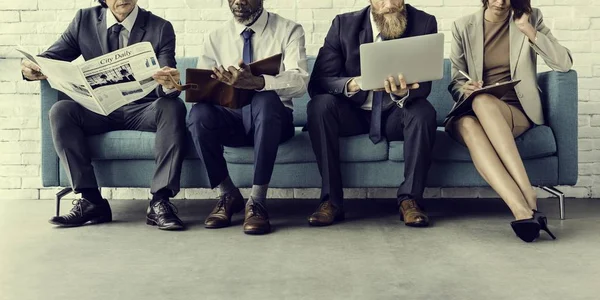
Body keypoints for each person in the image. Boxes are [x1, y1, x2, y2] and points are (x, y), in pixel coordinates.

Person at [21, 0, 188, 230]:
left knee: (173, 107)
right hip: (99, 110)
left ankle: (160, 202)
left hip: (142, 109)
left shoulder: (160, 27)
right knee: (61, 111)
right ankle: (91, 201)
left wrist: (169, 83)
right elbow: (50, 59)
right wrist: (30, 68)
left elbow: (166, 77)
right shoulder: (84, 20)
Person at [447, 0, 572, 242]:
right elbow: (454, 80)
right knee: (470, 119)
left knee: (483, 103)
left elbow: (563, 63)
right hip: (469, 110)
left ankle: (526, 198)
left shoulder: (530, 17)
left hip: (514, 110)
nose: (500, 1)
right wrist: (465, 88)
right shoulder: (463, 26)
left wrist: (527, 29)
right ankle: (523, 208)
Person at [307, 0, 438, 227]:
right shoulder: (342, 25)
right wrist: (355, 83)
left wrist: (403, 92)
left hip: (396, 113)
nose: (389, 5)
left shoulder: (424, 22)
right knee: (319, 105)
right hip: (352, 114)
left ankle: (410, 199)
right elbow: (318, 83)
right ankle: (331, 201)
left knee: (424, 112)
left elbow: (425, 87)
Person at [183, 0, 309, 235]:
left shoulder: (289, 30)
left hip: (275, 120)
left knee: (264, 98)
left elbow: (300, 82)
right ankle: (227, 193)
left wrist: (259, 83)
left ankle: (257, 201)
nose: (238, 1)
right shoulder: (215, 37)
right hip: (233, 120)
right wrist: (195, 87)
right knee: (198, 114)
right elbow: (201, 87)